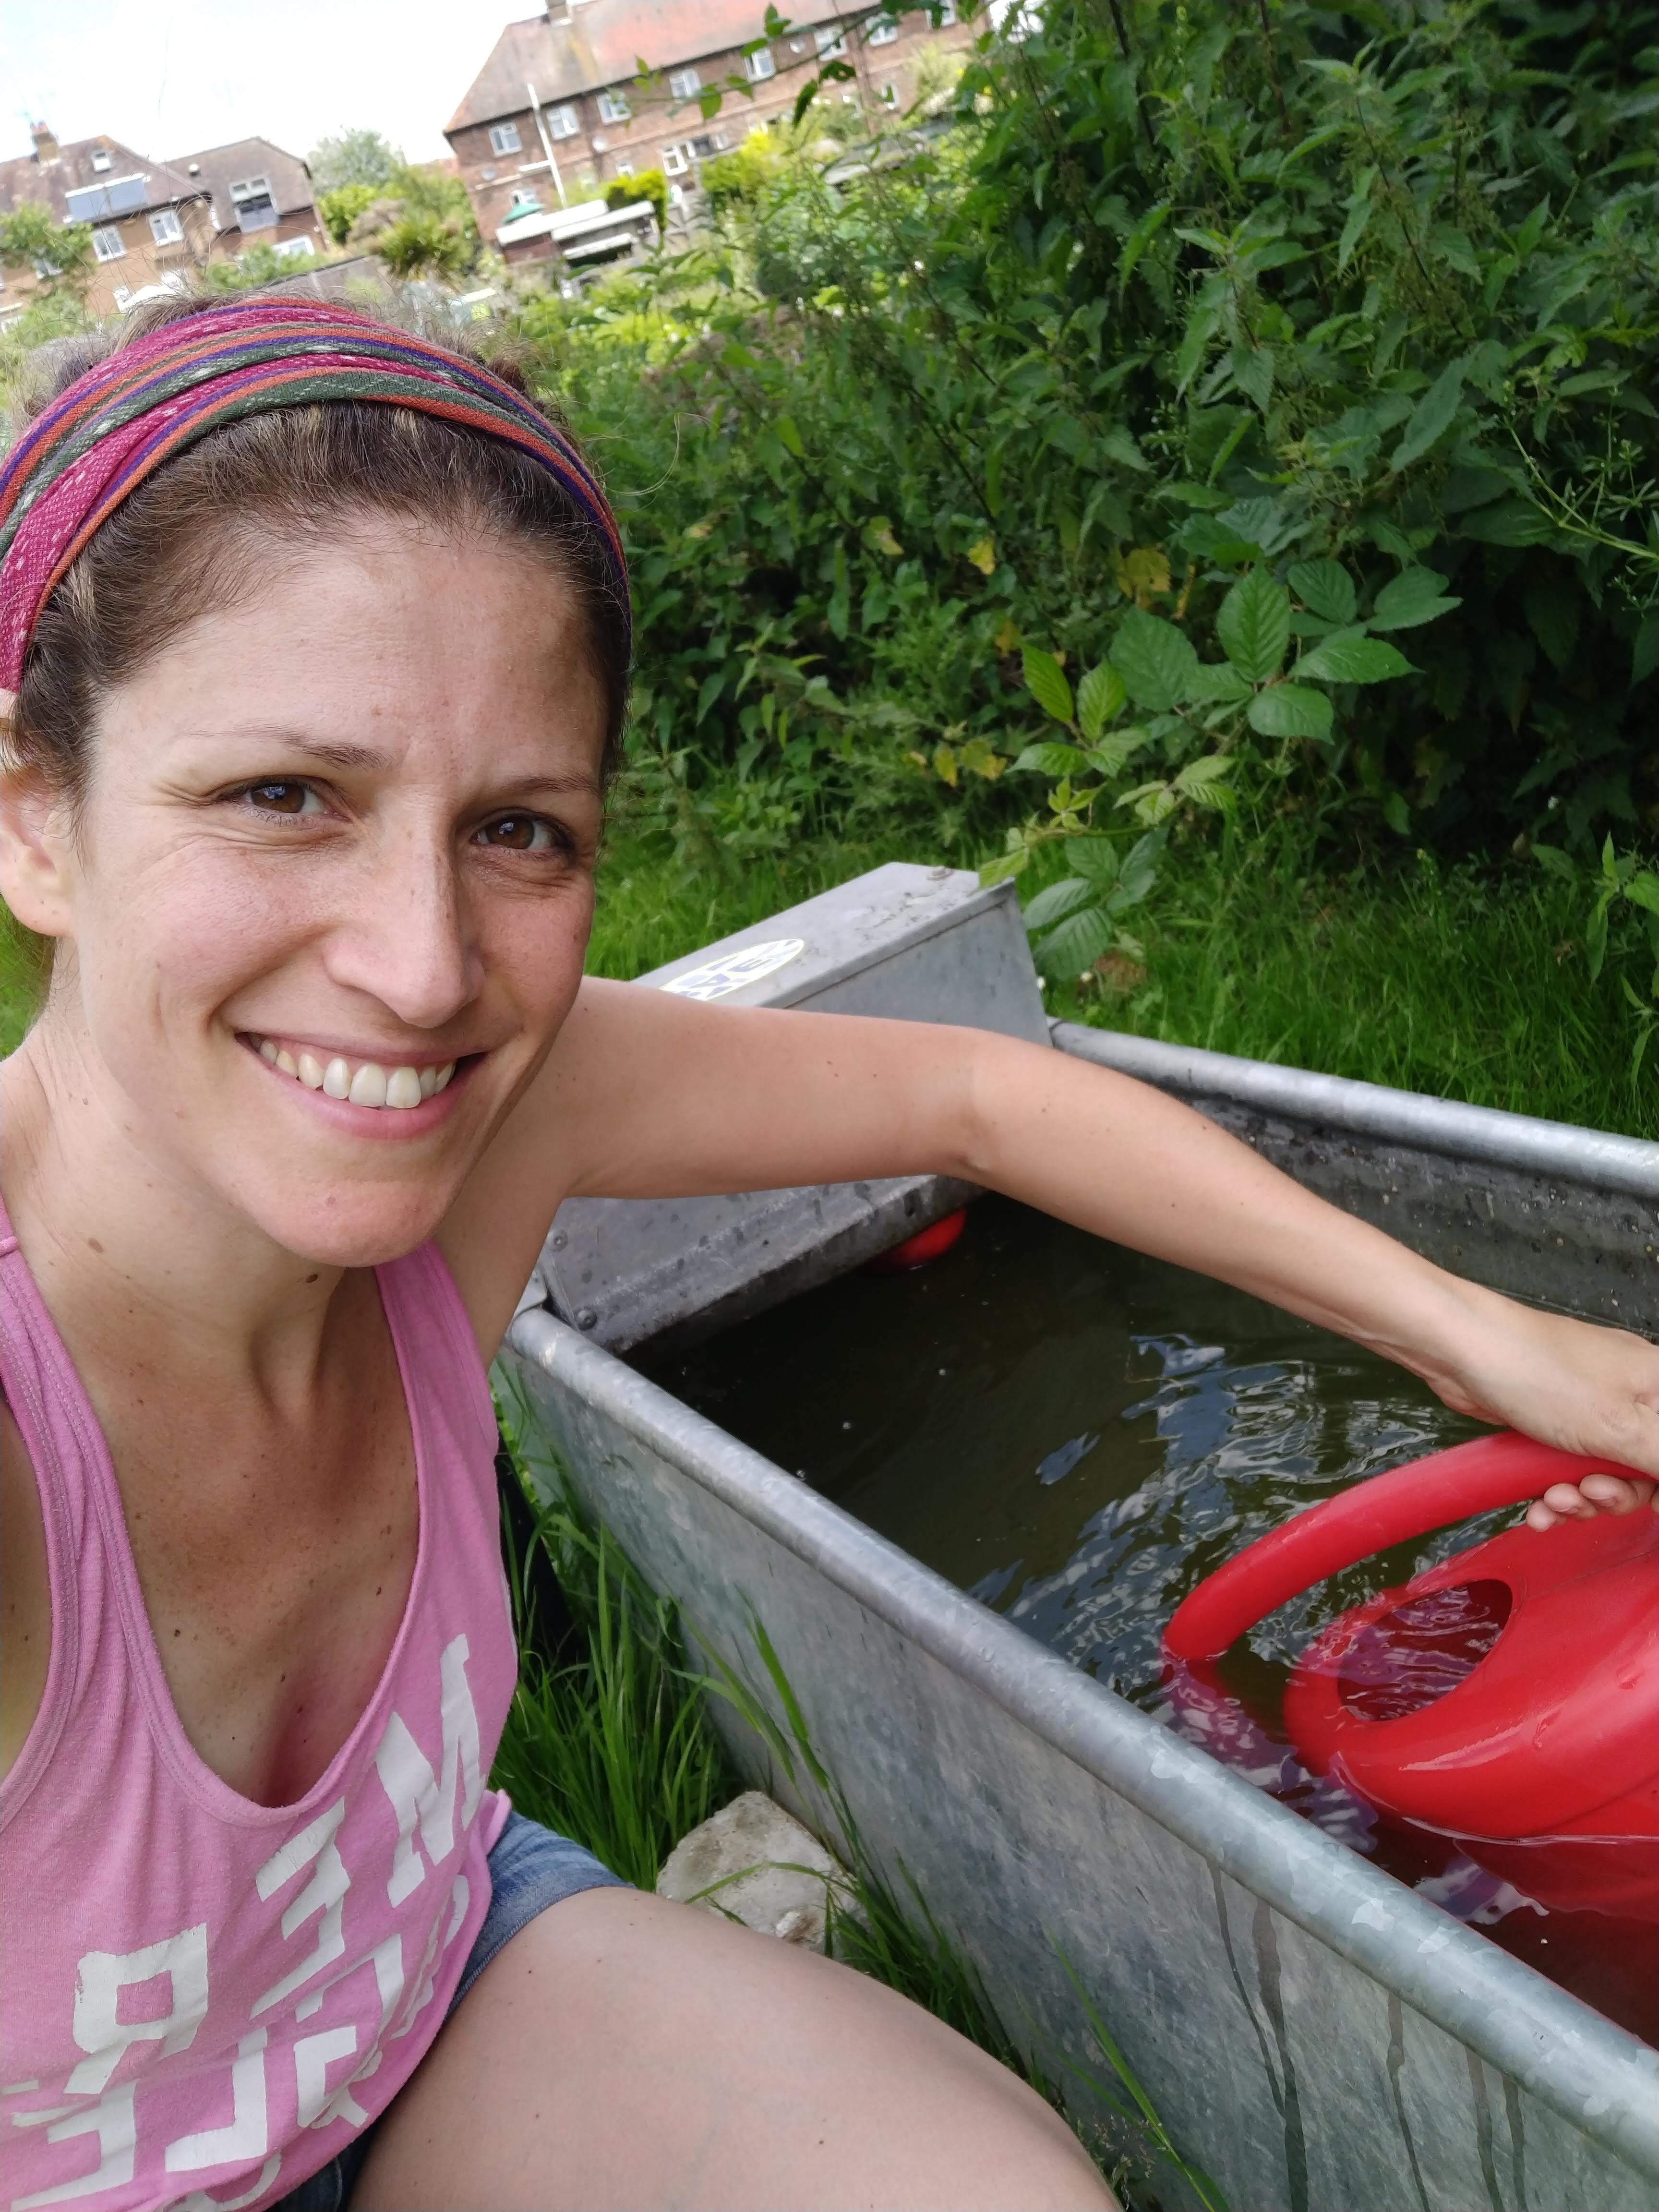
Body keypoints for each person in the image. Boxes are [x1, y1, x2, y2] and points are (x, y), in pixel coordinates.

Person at [0, 297, 1650, 2212]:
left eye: (521, 829)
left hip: (413, 1988)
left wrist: (1499, 1340)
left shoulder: (498, 1124)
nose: (425, 964)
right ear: (38, 815)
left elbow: (979, 1098)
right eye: (286, 795)